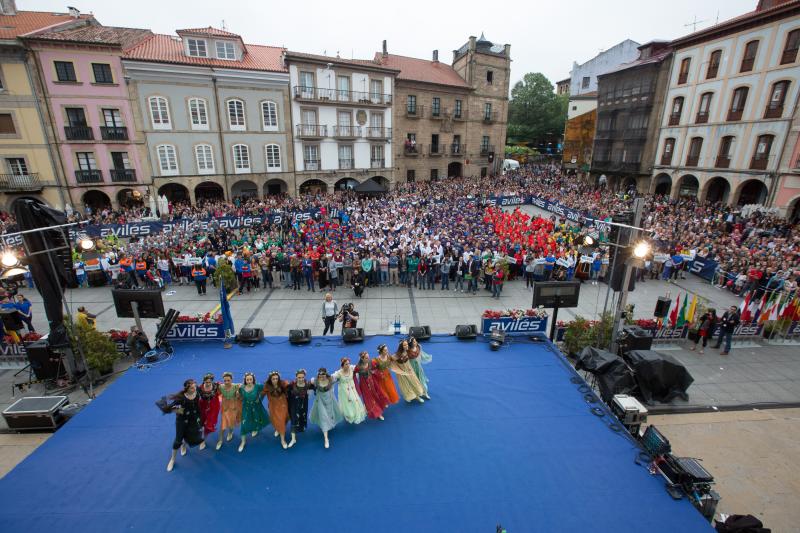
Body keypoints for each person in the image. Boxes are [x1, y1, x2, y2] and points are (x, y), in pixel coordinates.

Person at [164, 379, 204, 472]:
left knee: (191, 434)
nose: (194, 389)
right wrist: (180, 411)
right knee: (178, 440)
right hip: (182, 420)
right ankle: (172, 459)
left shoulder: (197, 391)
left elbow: (207, 390)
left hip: (194, 418)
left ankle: (184, 446)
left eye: (194, 386)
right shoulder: (181, 397)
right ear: (186, 388)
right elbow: (169, 408)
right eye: (191, 388)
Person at [309, 367, 343, 448]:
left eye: (323, 374)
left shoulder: (331, 380)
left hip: (330, 402)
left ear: (326, 374)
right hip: (320, 402)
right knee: (323, 418)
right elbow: (308, 386)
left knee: (330, 415)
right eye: (320, 374)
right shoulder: (315, 381)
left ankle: (330, 424)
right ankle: (326, 439)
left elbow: (339, 376)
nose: (322, 376)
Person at [354, 351, 389, 420]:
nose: (368, 359)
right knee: (369, 398)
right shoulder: (358, 367)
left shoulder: (371, 363)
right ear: (362, 359)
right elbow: (353, 374)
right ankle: (377, 413)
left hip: (372, 381)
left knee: (377, 394)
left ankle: (380, 405)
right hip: (364, 384)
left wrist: (377, 373)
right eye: (366, 358)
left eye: (368, 357)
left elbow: (376, 368)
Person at [238, 372, 267, 452]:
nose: (249, 381)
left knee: (256, 419)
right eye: (247, 380)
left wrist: (260, 398)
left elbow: (265, 389)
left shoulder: (257, 386)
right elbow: (239, 396)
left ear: (253, 380)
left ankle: (256, 429)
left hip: (256, 407)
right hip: (246, 408)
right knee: (244, 424)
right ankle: (243, 442)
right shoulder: (241, 388)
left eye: (251, 379)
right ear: (245, 380)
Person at [332, 357, 367, 424]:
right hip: (344, 391)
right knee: (347, 403)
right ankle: (349, 414)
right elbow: (332, 377)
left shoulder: (351, 368)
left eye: (348, 363)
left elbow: (359, 367)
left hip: (352, 388)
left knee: (355, 400)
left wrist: (362, 360)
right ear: (342, 365)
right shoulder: (339, 373)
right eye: (346, 364)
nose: (348, 365)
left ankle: (356, 413)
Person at [286, 369, 313, 448]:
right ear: (296, 377)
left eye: (302, 377)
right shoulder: (291, 385)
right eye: (299, 377)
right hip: (294, 406)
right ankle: (293, 439)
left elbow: (317, 387)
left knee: (302, 418)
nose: (301, 379)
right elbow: (285, 392)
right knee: (294, 420)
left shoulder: (307, 384)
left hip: (303, 406)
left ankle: (301, 428)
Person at [393, 339, 426, 403]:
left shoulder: (406, 352)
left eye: (407, 344)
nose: (406, 346)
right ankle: (407, 396)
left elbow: (408, 361)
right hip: (402, 373)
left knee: (414, 382)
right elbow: (392, 363)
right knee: (406, 385)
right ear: (401, 346)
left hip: (409, 370)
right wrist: (399, 371)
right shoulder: (397, 355)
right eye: (404, 345)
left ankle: (417, 396)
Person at [263, 371, 290, 449]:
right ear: (270, 379)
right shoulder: (267, 386)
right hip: (273, 407)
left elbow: (290, 388)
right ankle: (282, 439)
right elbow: (262, 394)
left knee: (285, 418)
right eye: (273, 379)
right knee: (278, 420)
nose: (275, 380)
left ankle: (280, 429)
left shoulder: (283, 383)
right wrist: (258, 400)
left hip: (283, 405)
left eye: (276, 379)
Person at [216, 372, 240, 450]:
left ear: (232, 380)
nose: (226, 382)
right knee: (223, 425)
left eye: (228, 380)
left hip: (233, 407)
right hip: (225, 407)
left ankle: (230, 432)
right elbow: (217, 394)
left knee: (232, 422)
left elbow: (245, 385)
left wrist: (238, 392)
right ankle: (220, 440)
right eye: (225, 380)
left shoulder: (236, 386)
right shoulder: (220, 387)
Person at [197, 373, 221, 449]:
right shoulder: (199, 388)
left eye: (209, 382)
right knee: (201, 423)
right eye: (206, 382)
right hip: (203, 407)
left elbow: (227, 385)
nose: (207, 384)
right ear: (203, 381)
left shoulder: (216, 386)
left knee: (208, 425)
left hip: (213, 407)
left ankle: (203, 441)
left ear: (212, 381)